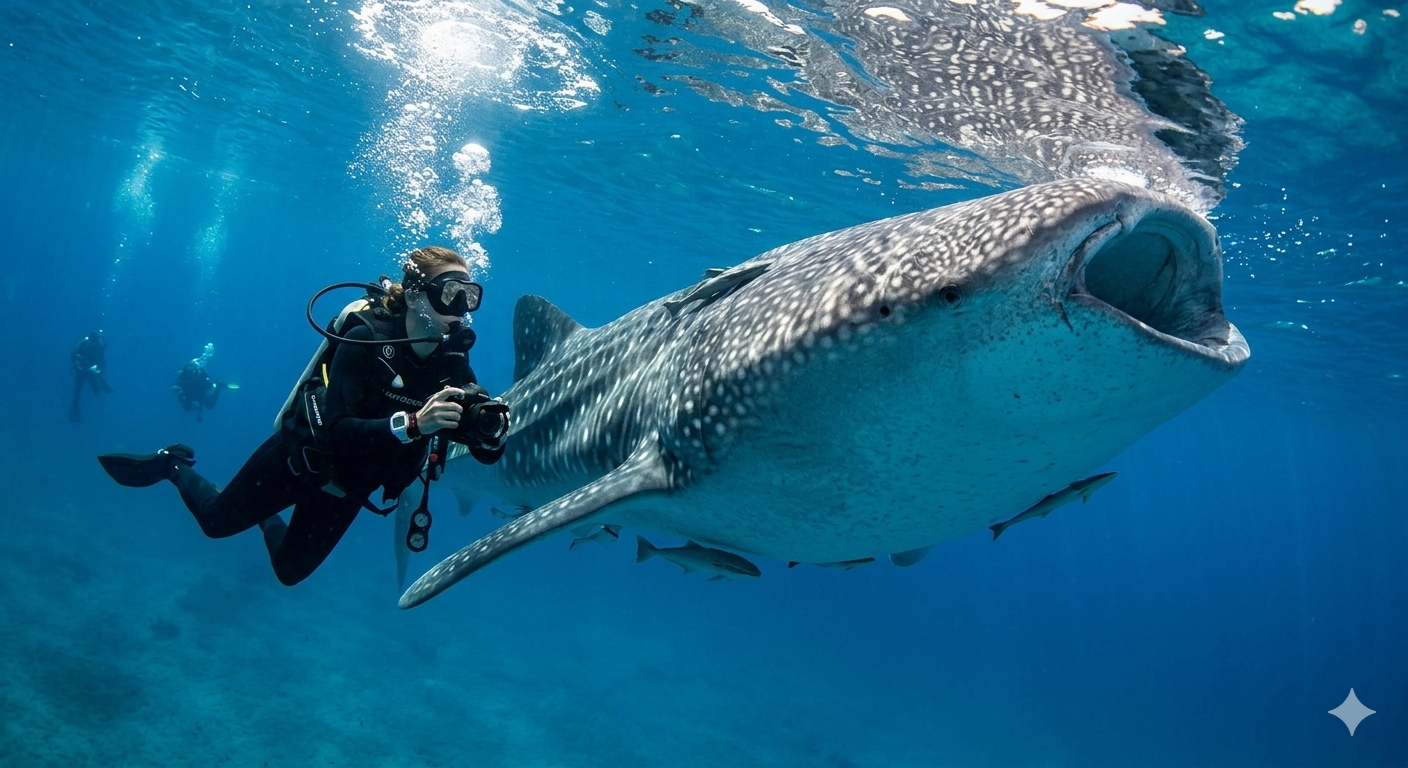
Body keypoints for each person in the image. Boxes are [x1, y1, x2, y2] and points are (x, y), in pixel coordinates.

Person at [97, 246, 509, 586]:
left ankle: (266, 517)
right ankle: (172, 463)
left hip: (350, 486)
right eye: (451, 293)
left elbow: (481, 447)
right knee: (214, 523)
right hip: (301, 458)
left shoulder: (452, 362)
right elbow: (336, 431)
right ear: (417, 294)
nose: (462, 309)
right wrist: (416, 424)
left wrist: (489, 435)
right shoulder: (366, 337)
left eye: (470, 296)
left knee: (289, 572)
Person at [70, 329, 114, 423]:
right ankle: (74, 412)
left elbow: (101, 362)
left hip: (90, 372)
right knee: (77, 393)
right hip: (82, 371)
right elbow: (74, 356)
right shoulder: (84, 345)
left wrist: (101, 375)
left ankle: (76, 412)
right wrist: (80, 363)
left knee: (95, 391)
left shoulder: (99, 347)